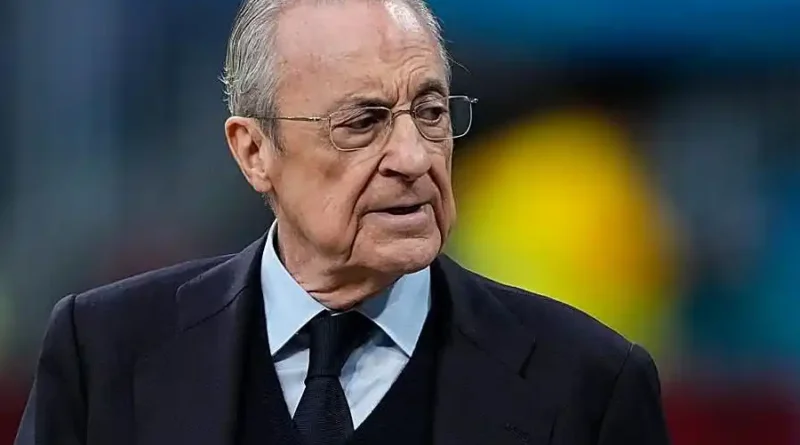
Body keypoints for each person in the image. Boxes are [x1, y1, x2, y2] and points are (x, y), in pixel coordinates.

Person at [15, 0, 670, 444]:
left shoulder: (591, 384)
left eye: (431, 112)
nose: (413, 157)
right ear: (254, 151)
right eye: (363, 122)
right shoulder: (101, 352)